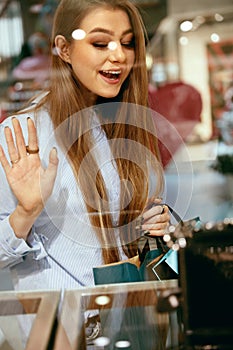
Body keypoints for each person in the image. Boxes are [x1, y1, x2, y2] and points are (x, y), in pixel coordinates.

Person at [0, 0, 170, 293]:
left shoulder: (124, 123)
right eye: (100, 43)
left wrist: (153, 224)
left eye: (127, 43)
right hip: (63, 328)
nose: (118, 55)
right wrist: (25, 213)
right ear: (64, 49)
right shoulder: (24, 135)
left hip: (129, 320)